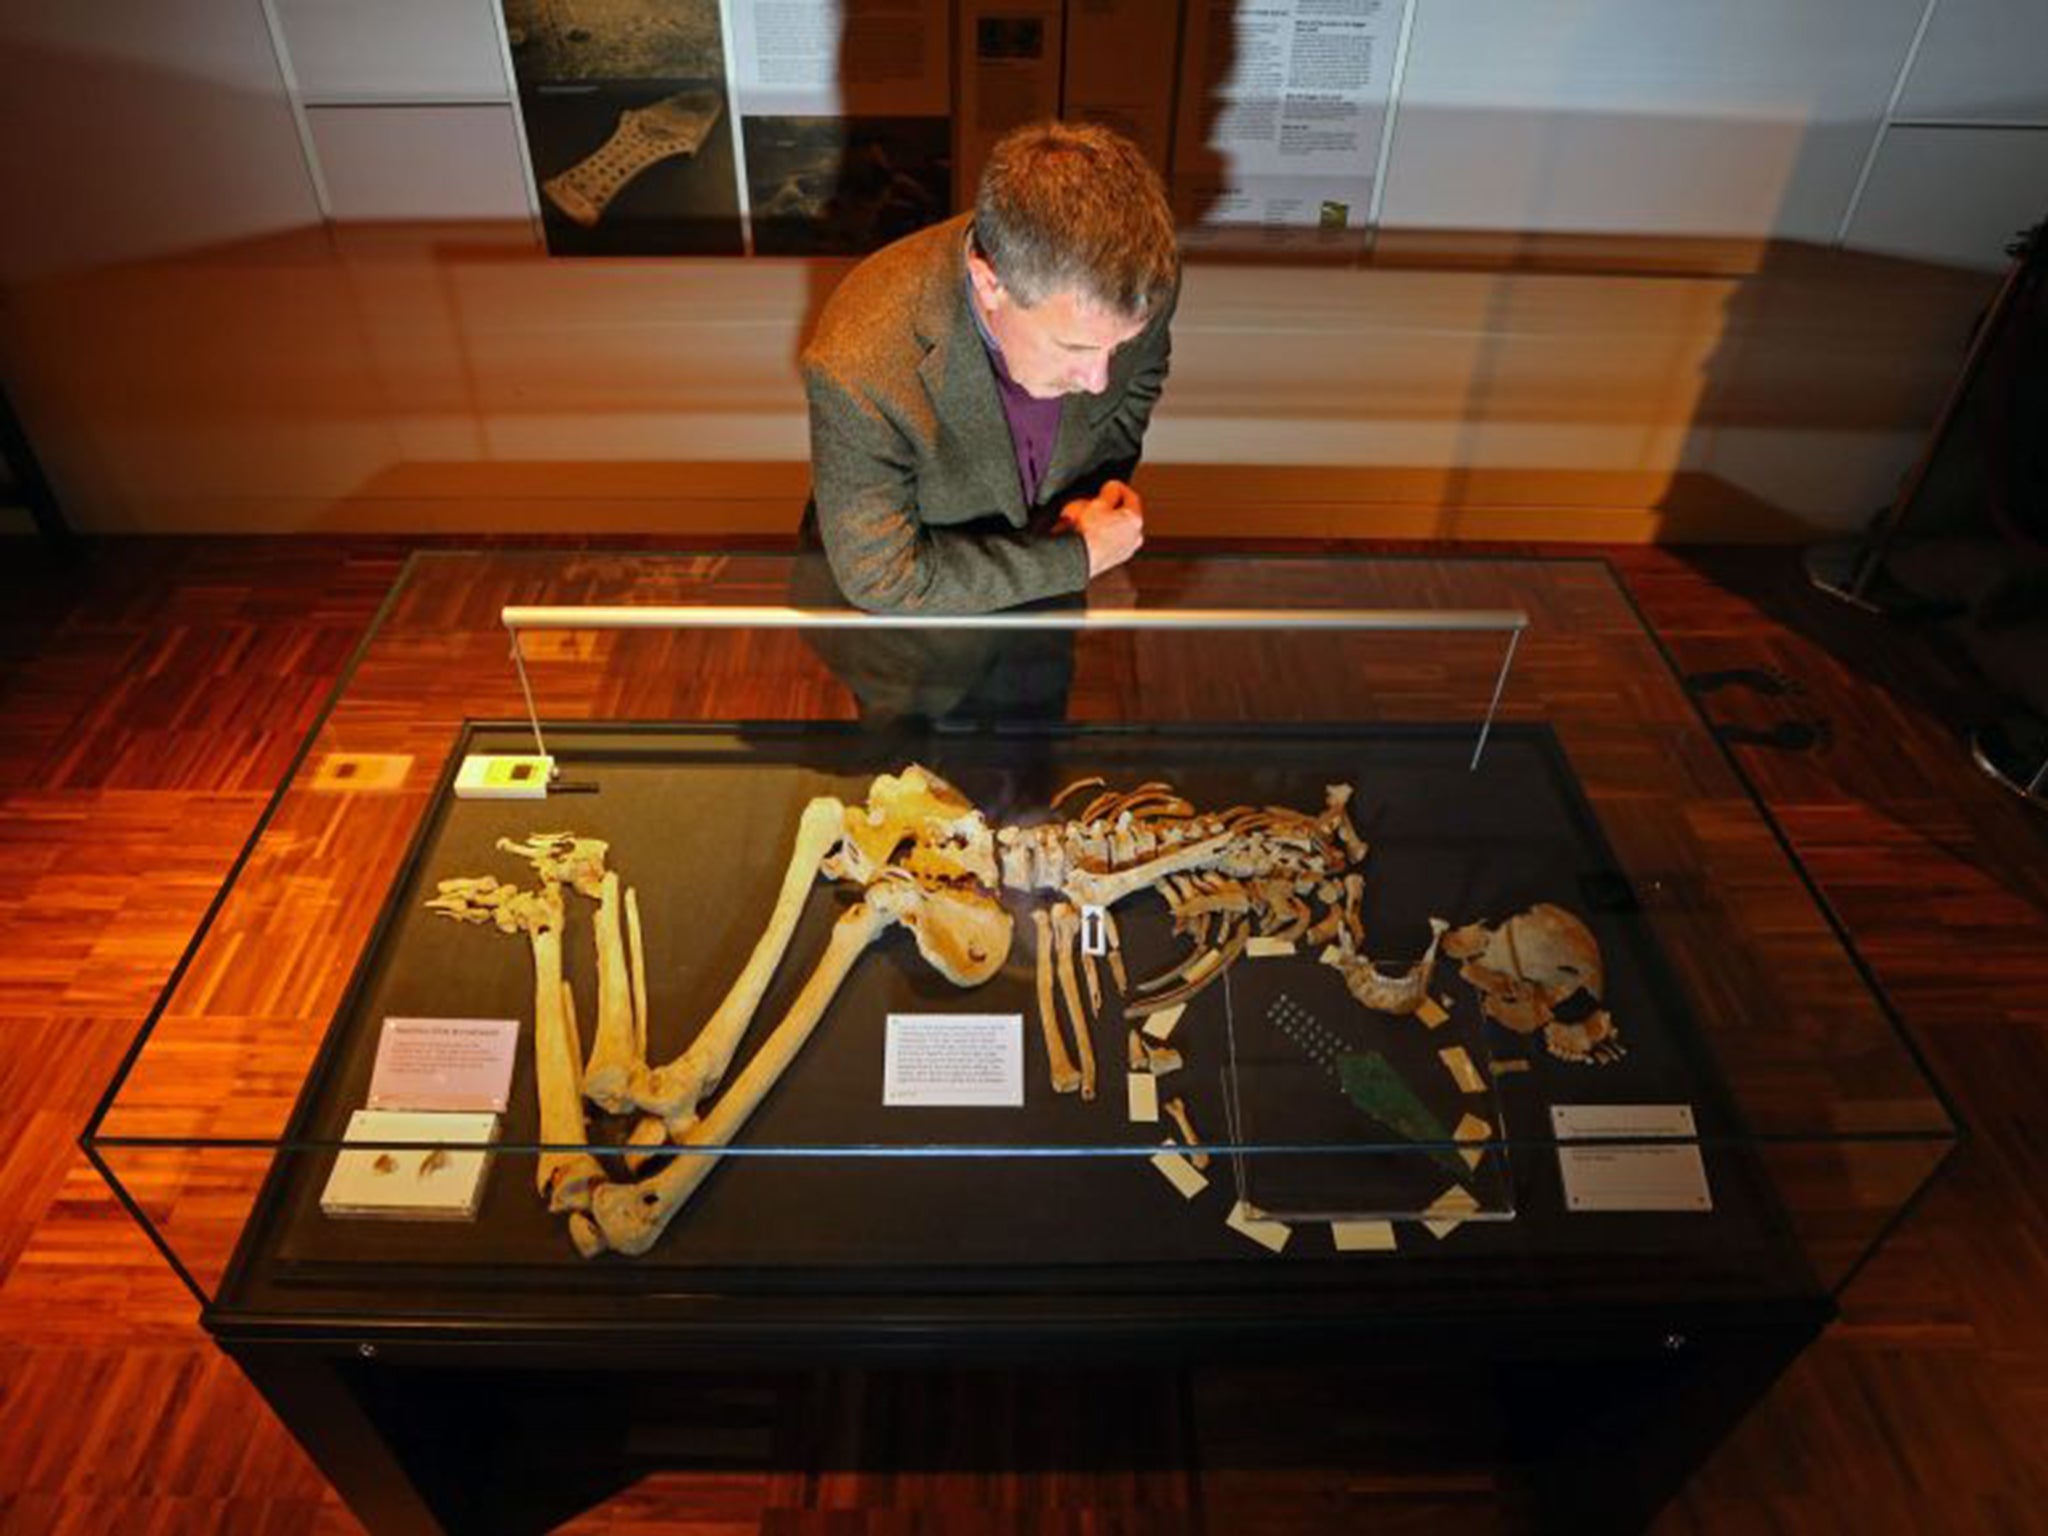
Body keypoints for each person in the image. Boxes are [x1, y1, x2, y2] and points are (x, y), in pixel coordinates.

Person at [800, 119, 1179, 614]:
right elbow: (883, 576)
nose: (1098, 380)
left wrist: (1092, 499)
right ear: (989, 283)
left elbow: (1141, 381)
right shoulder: (858, 364)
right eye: (1075, 348)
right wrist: (1075, 558)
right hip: (913, 647)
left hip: (1053, 603)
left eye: (1117, 347)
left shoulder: (1139, 275)